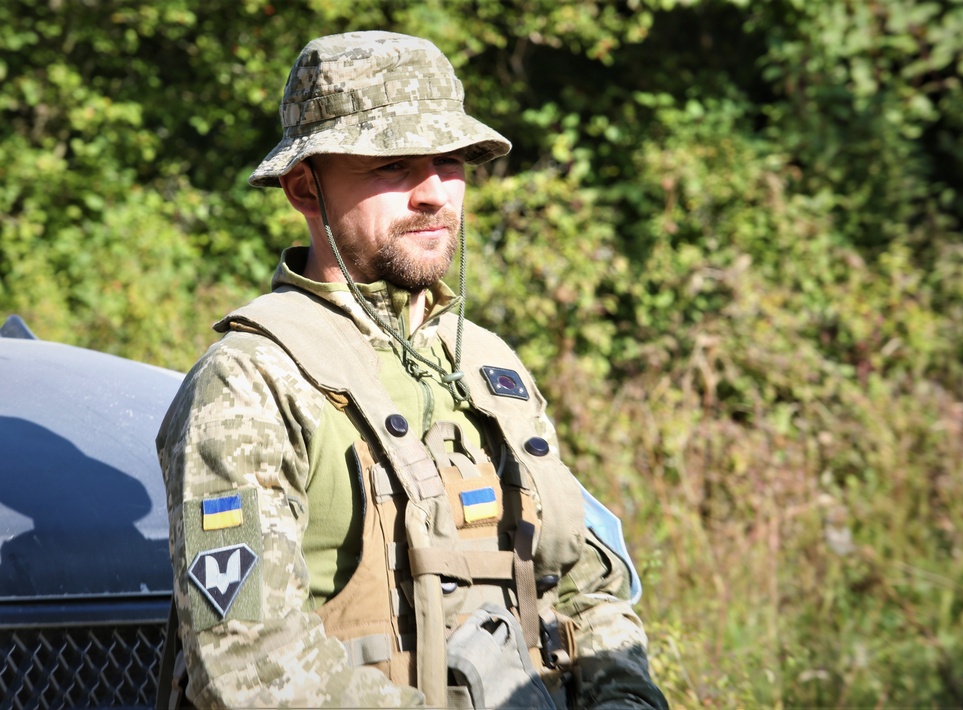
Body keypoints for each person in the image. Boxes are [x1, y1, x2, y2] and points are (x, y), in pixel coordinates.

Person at [156, 30, 668, 710]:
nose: (434, 192)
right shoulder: (251, 382)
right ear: (306, 188)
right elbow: (251, 668)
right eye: (391, 166)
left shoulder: (487, 366)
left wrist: (626, 701)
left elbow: (582, 586)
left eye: (450, 160)